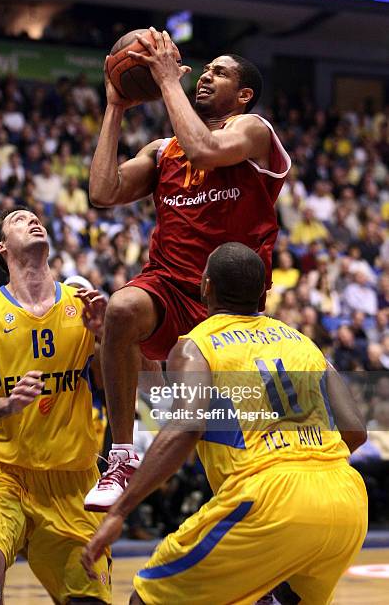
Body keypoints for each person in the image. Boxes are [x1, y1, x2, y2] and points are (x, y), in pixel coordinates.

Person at [82, 242, 368, 605]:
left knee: (147, 599)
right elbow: (355, 430)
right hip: (346, 500)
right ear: (264, 294)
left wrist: (121, 511)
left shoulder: (197, 345)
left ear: (206, 287)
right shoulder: (304, 344)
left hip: (270, 497)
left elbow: (185, 427)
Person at [85, 28, 291, 510]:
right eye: (204, 70)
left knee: (229, 446)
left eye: (219, 73)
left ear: (243, 95)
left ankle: (265, 545)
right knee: (120, 309)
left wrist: (164, 79)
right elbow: (103, 191)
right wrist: (115, 107)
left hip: (232, 304)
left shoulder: (253, 130)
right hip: (171, 288)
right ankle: (120, 455)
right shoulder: (162, 151)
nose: (204, 77)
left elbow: (206, 150)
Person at [0, 208, 111, 604]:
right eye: (20, 219)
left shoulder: (84, 305)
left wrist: (104, 338)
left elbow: (113, 389)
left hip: (73, 477)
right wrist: (8, 404)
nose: (34, 220)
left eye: (37, 218)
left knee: (86, 599)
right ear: (0, 247)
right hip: (4, 470)